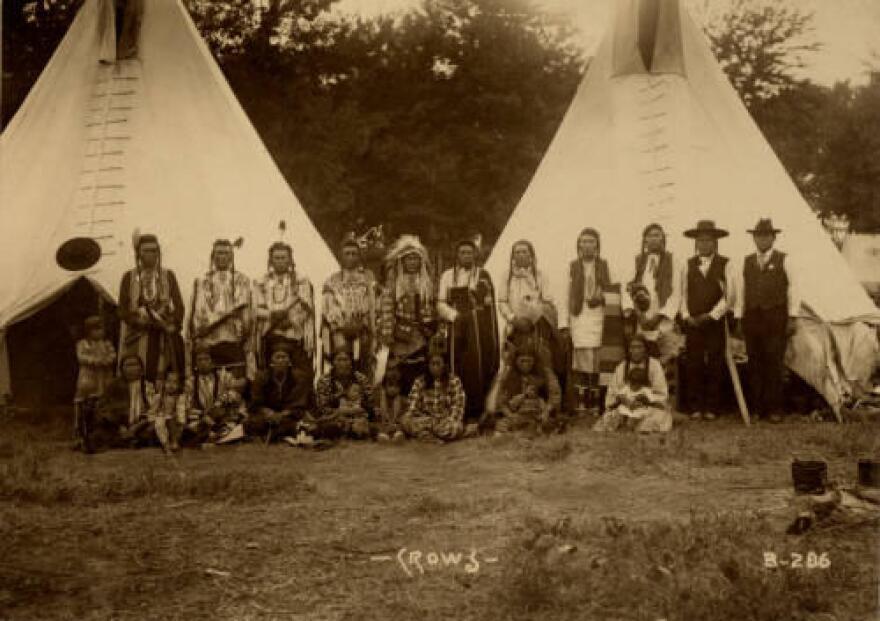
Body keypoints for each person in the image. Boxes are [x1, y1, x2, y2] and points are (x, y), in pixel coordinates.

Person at [734, 218, 801, 424]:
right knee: (754, 362)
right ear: (754, 238)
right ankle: (756, 408)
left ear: (773, 238)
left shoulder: (785, 260)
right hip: (753, 318)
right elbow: (740, 291)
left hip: (775, 318)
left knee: (774, 362)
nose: (762, 239)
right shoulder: (746, 261)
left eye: (766, 236)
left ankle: (775, 409)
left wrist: (792, 316)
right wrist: (739, 317)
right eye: (758, 236)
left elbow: (794, 289)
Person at [436, 238, 500, 428]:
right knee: (458, 365)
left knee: (477, 366)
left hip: (478, 329)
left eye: (470, 252)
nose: (466, 256)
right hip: (457, 327)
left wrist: (479, 305)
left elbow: (489, 303)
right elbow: (440, 302)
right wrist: (454, 315)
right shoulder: (447, 275)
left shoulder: (483, 275)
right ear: (457, 255)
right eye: (462, 252)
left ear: (475, 255)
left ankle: (477, 411)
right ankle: (458, 409)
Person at [679, 220, 738, 421]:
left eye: (708, 240)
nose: (704, 244)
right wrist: (687, 316)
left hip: (714, 321)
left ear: (715, 242)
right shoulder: (686, 265)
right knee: (693, 362)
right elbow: (682, 293)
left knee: (715, 361)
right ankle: (695, 406)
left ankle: (712, 407)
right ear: (695, 243)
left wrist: (712, 315)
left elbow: (730, 295)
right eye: (700, 240)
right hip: (694, 322)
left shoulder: (726, 264)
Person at [560, 228, 620, 413]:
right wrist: (564, 324)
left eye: (591, 241)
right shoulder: (571, 267)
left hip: (600, 318)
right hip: (579, 318)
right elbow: (564, 296)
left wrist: (603, 297)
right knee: (582, 361)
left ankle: (598, 403)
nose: (587, 245)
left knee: (598, 361)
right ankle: (582, 403)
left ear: (597, 245)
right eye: (584, 241)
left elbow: (616, 290)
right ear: (578, 245)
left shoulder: (606, 266)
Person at [118, 233, 185, 384]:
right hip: (137, 334)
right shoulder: (129, 277)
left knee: (165, 373)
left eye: (154, 250)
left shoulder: (168, 275)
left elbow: (179, 306)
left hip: (162, 333)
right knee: (139, 372)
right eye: (146, 251)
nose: (150, 255)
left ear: (159, 252)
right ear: (138, 253)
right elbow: (122, 309)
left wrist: (172, 322)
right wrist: (138, 321)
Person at [497, 240, 564, 381]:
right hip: (514, 327)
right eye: (517, 252)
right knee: (512, 363)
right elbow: (502, 301)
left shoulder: (540, 275)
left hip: (536, 328)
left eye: (524, 251)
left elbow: (547, 301)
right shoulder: (506, 276)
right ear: (512, 256)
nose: (521, 255)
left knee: (538, 363)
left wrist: (531, 318)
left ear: (531, 255)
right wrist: (512, 318)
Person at [377, 235, 436, 392]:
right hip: (400, 334)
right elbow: (387, 309)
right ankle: (400, 403)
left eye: (415, 259)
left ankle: (418, 402)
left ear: (421, 262)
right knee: (400, 369)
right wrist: (387, 333)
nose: (412, 262)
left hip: (423, 334)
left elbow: (433, 307)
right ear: (402, 261)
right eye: (409, 259)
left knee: (421, 368)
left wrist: (434, 329)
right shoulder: (394, 283)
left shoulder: (427, 283)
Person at [622, 223, 683, 365]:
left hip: (664, 321)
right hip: (642, 320)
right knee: (643, 361)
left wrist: (659, 317)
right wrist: (639, 315)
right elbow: (627, 288)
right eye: (649, 235)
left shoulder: (674, 261)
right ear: (644, 240)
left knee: (665, 361)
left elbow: (676, 293)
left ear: (663, 239)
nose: (653, 239)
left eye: (657, 235)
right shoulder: (637, 261)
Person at [189, 239, 253, 376]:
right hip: (208, 342)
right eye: (218, 253)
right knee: (209, 380)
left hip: (233, 340)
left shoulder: (242, 280)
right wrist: (200, 331)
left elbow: (244, 311)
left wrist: (243, 333)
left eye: (225, 253)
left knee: (234, 379)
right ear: (213, 256)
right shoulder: (201, 281)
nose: (222, 257)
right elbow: (197, 310)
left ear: (231, 256)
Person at [321, 233, 379, 376]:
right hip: (340, 333)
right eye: (347, 253)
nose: (351, 257)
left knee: (363, 370)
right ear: (341, 256)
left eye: (354, 253)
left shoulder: (369, 279)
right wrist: (342, 325)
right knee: (342, 367)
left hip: (363, 332)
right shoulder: (331, 281)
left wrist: (361, 324)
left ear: (359, 256)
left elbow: (373, 307)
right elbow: (328, 308)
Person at [253, 242, 316, 375]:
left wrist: (291, 321)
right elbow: (255, 308)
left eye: (283, 257)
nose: (280, 261)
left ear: (290, 259)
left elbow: (307, 309)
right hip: (269, 336)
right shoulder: (260, 282)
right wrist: (271, 315)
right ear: (270, 260)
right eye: (277, 258)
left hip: (295, 336)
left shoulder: (301, 281)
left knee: (298, 375)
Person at [594, 334, 672, 433]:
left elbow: (662, 393)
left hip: (648, 406)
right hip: (626, 406)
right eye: (632, 347)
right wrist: (623, 399)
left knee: (657, 417)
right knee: (610, 417)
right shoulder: (622, 366)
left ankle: (642, 426)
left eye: (639, 347)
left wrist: (647, 399)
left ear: (645, 349)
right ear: (628, 349)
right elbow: (612, 392)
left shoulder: (654, 365)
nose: (636, 351)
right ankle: (625, 422)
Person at [245, 342, 317, 443]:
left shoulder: (299, 378)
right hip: (267, 415)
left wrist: (282, 415)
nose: (281, 360)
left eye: (284, 357)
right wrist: (268, 412)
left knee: (296, 424)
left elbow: (299, 404)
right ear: (271, 361)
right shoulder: (261, 377)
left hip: (288, 416)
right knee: (251, 423)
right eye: (277, 357)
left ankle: (276, 434)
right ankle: (278, 434)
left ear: (289, 361)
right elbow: (255, 402)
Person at [180, 345, 247, 446]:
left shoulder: (224, 376)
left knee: (234, 422)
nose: (203, 362)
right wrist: (205, 414)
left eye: (206, 359)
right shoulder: (190, 382)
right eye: (200, 360)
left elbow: (236, 393)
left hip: (223, 417)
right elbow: (187, 406)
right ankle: (211, 436)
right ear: (196, 363)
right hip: (201, 419)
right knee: (192, 429)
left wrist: (221, 403)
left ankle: (215, 436)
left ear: (212, 361)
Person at [491, 342, 563, 434]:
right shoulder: (507, 375)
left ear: (534, 361)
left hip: (540, 412)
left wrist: (546, 411)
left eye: (529, 361)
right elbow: (500, 402)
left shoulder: (545, 373)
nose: (525, 364)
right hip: (515, 413)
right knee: (500, 426)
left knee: (552, 423)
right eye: (522, 361)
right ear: (516, 360)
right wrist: (511, 415)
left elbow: (555, 396)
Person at [401, 342, 467, 442]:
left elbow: (458, 407)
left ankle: (426, 436)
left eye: (438, 363)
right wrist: (427, 421)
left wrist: (448, 421)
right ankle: (433, 437)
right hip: (425, 420)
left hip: (445, 422)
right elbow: (412, 407)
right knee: (404, 420)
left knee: (456, 427)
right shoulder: (420, 381)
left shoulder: (454, 381)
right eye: (432, 364)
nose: (435, 367)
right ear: (428, 365)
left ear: (444, 365)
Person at [88, 354, 157, 450]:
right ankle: (127, 439)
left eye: (135, 365)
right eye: (128, 365)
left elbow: (153, 409)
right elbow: (104, 407)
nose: (132, 368)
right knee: (99, 435)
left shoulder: (147, 386)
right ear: (122, 369)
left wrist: (136, 427)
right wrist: (119, 425)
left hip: (141, 424)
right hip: (118, 425)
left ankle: (131, 439)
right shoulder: (114, 386)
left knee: (153, 429)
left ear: (141, 368)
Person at [73, 316, 117, 451]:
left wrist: (107, 360)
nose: (99, 333)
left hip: (103, 376)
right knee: (84, 403)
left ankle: (100, 435)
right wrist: (95, 361)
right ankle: (81, 434)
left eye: (101, 329)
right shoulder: (82, 344)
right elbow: (81, 357)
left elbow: (113, 355)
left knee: (101, 402)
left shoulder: (107, 344)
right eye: (96, 330)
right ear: (88, 331)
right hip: (88, 377)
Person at [314, 347, 374, 441]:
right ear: (333, 362)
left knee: (363, 424)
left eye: (346, 359)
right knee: (329, 427)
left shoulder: (361, 378)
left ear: (351, 362)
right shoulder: (324, 380)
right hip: (334, 416)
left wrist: (358, 409)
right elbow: (322, 406)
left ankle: (353, 429)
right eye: (339, 360)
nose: (342, 363)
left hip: (358, 413)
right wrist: (339, 411)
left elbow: (370, 401)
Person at [374, 366, 407, 442]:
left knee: (402, 426)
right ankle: (382, 436)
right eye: (390, 385)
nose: (393, 389)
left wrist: (396, 422)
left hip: (396, 423)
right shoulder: (379, 398)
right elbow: (376, 412)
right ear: (385, 386)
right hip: (383, 423)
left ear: (400, 388)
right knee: (375, 427)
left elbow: (404, 413)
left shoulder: (402, 400)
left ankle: (398, 435)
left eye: (396, 386)